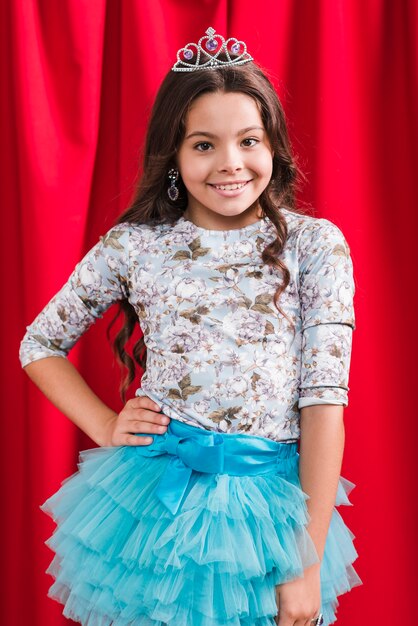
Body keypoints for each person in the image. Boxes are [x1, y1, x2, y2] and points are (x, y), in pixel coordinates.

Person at [19, 27, 362, 626]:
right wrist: (103, 423)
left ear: (274, 147)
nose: (230, 163)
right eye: (203, 145)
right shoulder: (135, 247)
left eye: (249, 140)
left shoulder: (316, 245)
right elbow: (38, 343)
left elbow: (324, 400)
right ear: (173, 157)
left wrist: (306, 564)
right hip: (156, 499)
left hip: (272, 508)